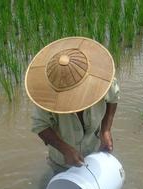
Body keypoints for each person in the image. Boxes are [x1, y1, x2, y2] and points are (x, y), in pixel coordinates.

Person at [24, 37, 120, 173]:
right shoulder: (47, 95)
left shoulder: (101, 81)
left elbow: (114, 97)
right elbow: (40, 125)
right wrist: (65, 149)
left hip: (94, 151)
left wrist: (106, 130)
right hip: (62, 160)